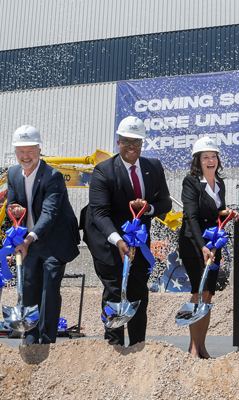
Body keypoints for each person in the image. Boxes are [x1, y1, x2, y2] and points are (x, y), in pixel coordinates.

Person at [83, 116, 172, 347]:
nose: (132, 147)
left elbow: (165, 203)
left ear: (142, 144)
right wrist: (118, 241)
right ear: (118, 142)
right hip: (109, 241)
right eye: (126, 142)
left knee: (138, 292)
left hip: (140, 243)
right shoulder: (103, 171)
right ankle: (113, 348)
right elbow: (99, 213)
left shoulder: (153, 167)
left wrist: (148, 208)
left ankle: (138, 347)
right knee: (114, 291)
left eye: (137, 142)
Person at [6, 125, 80, 345]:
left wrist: (29, 239)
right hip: (29, 242)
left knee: (49, 289)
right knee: (29, 287)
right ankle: (30, 338)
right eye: (21, 151)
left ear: (39, 151)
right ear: (15, 152)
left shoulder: (53, 177)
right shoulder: (12, 174)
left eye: (30, 151)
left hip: (54, 242)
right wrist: (14, 210)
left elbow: (49, 214)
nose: (25, 156)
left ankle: (47, 341)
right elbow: (11, 204)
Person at [178, 137, 235, 359]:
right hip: (195, 244)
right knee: (198, 292)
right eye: (205, 157)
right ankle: (193, 347)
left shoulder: (219, 182)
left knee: (209, 294)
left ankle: (202, 345)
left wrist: (228, 213)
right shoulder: (190, 182)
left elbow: (216, 211)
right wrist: (202, 246)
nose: (210, 160)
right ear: (198, 161)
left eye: (213, 156)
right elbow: (190, 217)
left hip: (214, 244)